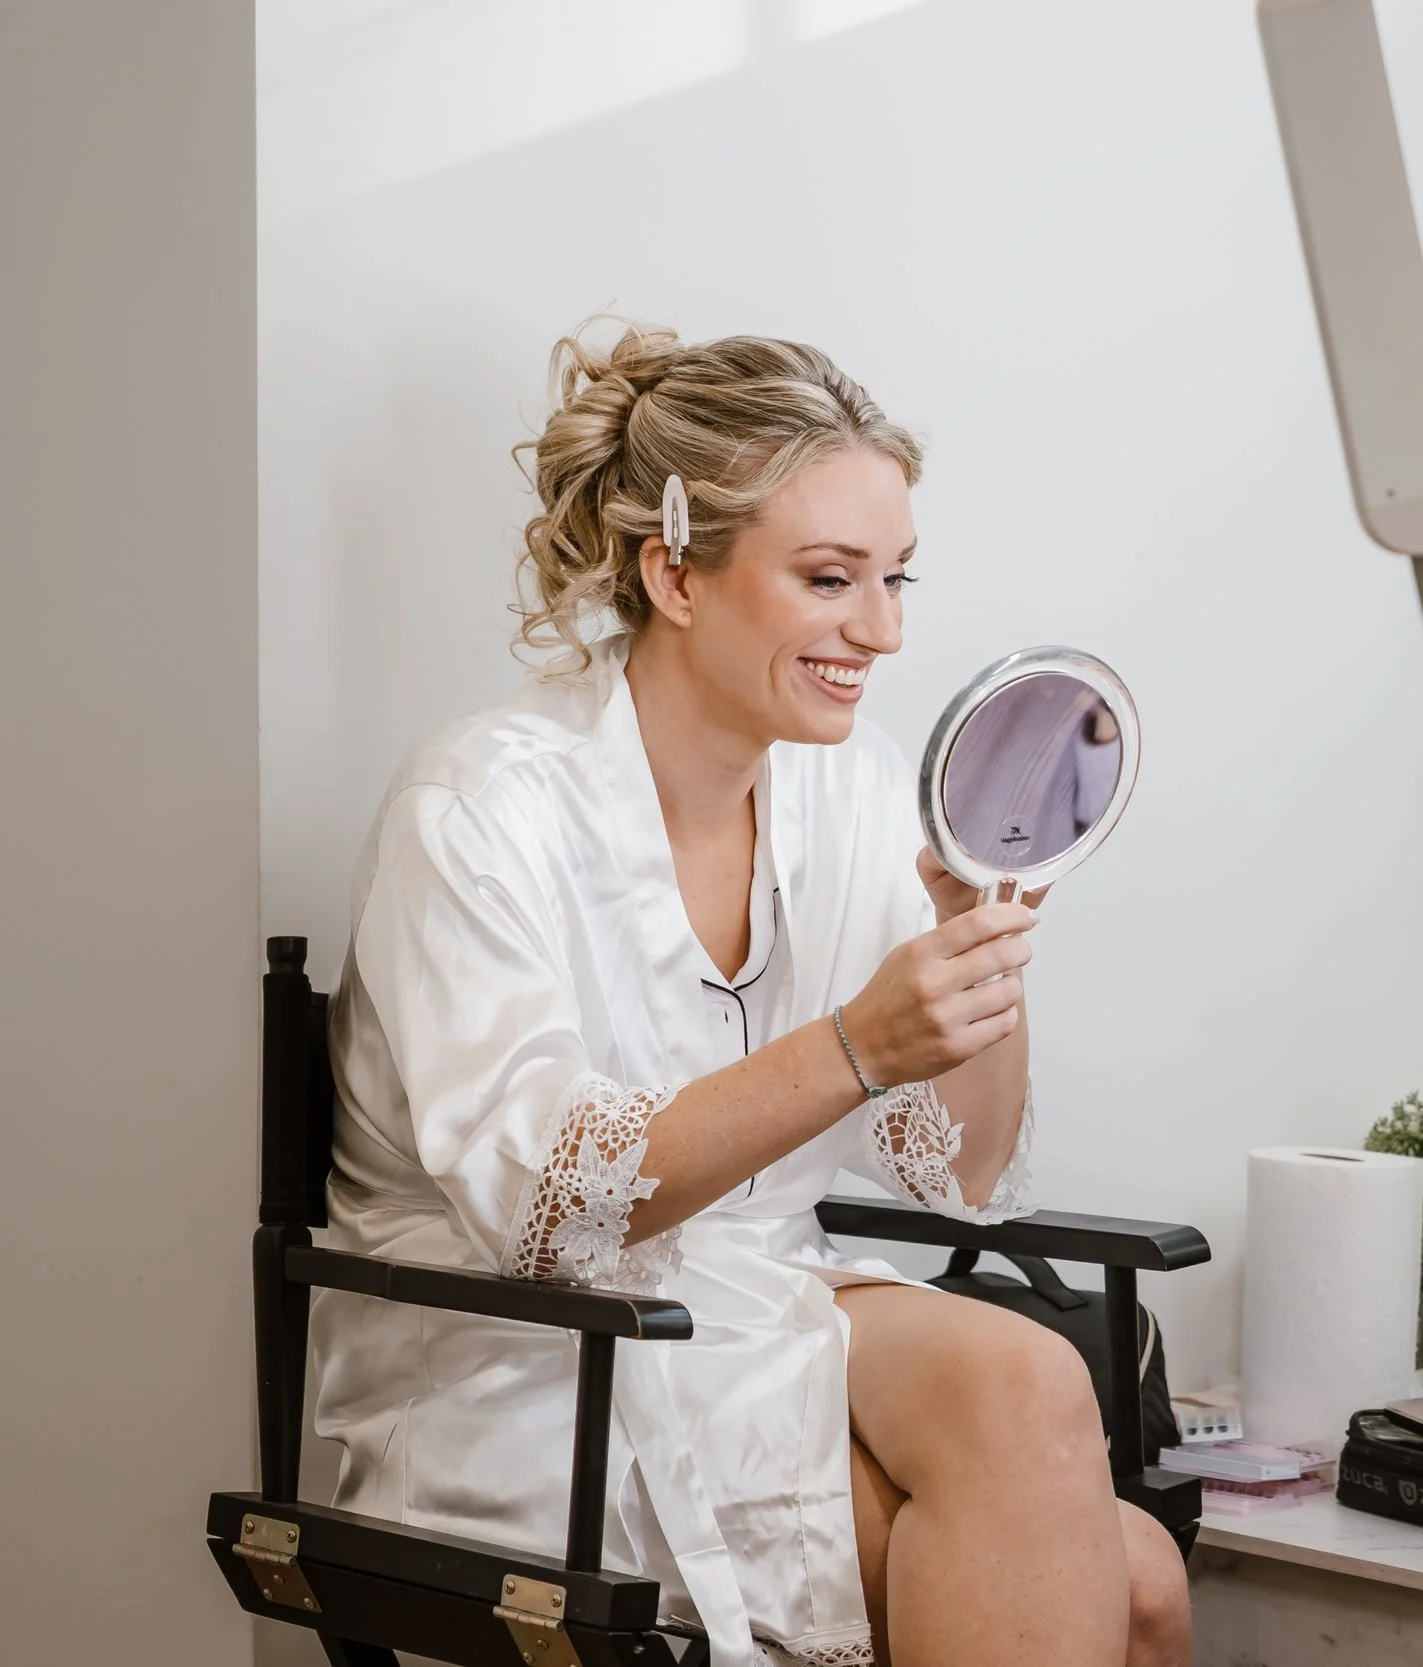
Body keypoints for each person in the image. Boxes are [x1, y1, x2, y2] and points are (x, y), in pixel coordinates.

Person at [307, 322, 1188, 1667]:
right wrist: (850, 1046)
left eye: (896, 577)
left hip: (757, 1300)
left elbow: (961, 1170)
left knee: (1036, 1379)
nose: (882, 631)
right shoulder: (480, 804)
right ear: (673, 571)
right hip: (531, 1355)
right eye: (831, 578)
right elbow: (549, 1204)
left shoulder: (853, 782)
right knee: (1122, 1575)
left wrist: (983, 961)